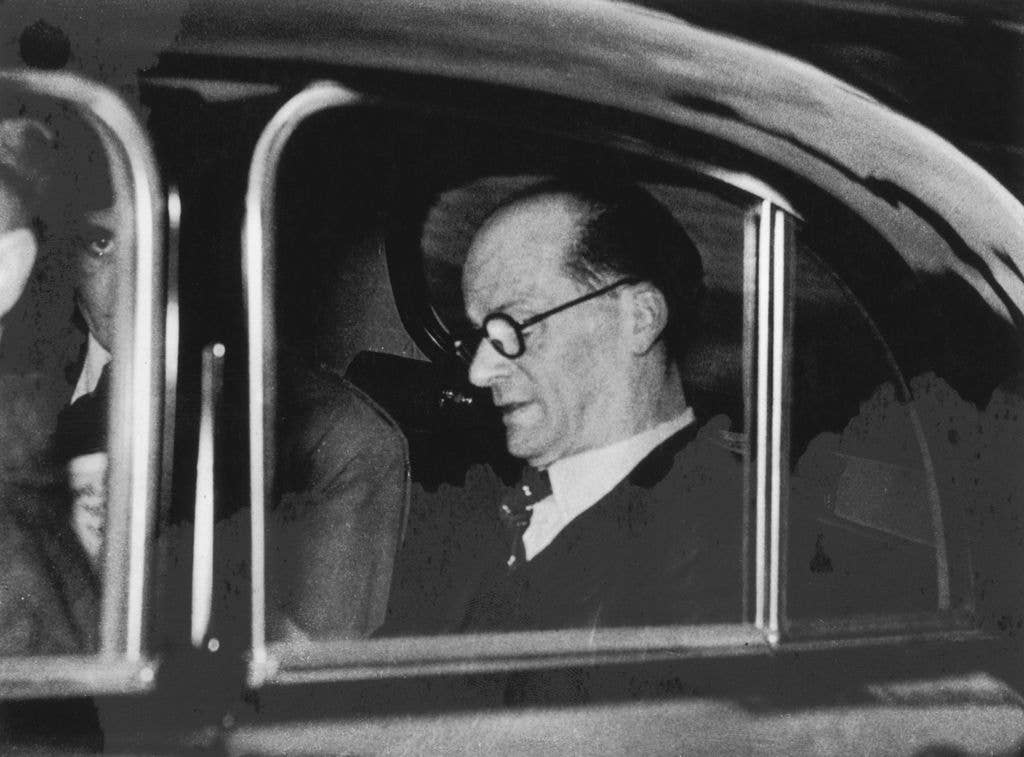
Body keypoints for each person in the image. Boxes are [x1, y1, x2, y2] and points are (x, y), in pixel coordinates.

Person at [386, 179, 743, 634]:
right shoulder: (494, 503)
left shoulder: (716, 560)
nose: (479, 372)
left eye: (517, 325)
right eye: (479, 336)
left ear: (639, 318)